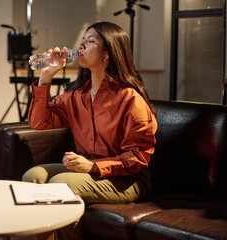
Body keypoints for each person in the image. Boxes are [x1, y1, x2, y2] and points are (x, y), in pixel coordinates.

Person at [22, 22, 158, 240]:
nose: (82, 45)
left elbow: (138, 157)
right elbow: (39, 123)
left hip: (128, 178)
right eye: (83, 40)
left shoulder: (129, 98)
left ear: (107, 55)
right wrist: (46, 77)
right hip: (89, 171)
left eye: (91, 41)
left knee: (60, 185)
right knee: (33, 176)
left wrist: (93, 165)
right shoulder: (77, 96)